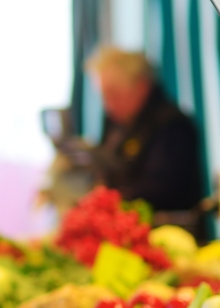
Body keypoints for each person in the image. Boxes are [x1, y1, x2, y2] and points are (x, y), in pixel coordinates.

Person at [87, 47, 205, 236]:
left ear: (141, 86)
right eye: (104, 96)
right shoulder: (117, 123)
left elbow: (164, 191)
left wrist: (112, 198)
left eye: (114, 94)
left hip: (168, 237)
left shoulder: (172, 125)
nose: (108, 104)